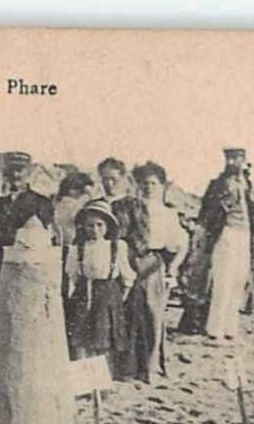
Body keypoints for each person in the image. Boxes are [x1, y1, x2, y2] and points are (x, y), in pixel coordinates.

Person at [120, 161, 189, 381]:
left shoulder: (167, 213)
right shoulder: (131, 208)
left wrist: (173, 269)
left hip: (154, 262)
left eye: (153, 183)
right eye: (144, 183)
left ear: (161, 185)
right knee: (131, 313)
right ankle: (130, 367)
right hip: (131, 260)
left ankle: (151, 367)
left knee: (153, 315)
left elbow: (182, 242)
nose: (148, 187)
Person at [189, 147, 254, 341]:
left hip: (244, 235)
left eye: (236, 159)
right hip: (226, 233)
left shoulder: (248, 184)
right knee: (224, 281)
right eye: (229, 159)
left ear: (243, 160)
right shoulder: (218, 184)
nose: (232, 163)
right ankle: (215, 328)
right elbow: (207, 212)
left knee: (238, 282)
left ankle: (231, 326)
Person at [65, 199, 135, 377]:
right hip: (84, 293)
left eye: (99, 225)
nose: (95, 230)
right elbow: (72, 276)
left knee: (103, 340)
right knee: (80, 339)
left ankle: (102, 382)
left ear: (107, 226)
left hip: (108, 295)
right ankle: (83, 382)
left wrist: (118, 299)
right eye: (90, 226)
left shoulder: (117, 247)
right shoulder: (77, 249)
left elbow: (127, 277)